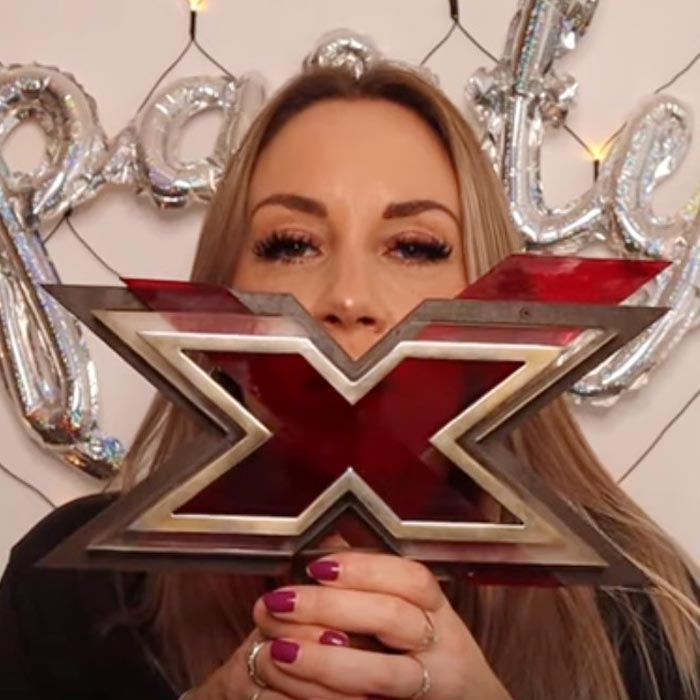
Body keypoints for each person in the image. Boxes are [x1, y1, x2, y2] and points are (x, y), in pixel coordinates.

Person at [2, 61, 700, 700]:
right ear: (222, 294)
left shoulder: (648, 613)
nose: (349, 295)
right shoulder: (68, 596)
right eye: (291, 244)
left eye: (415, 246)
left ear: (491, 298)